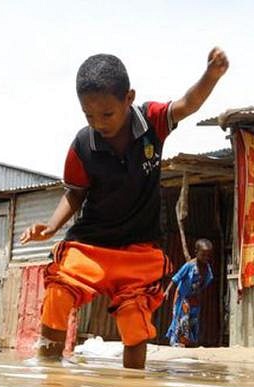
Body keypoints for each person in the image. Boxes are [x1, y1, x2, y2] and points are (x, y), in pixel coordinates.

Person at [21, 48, 229, 369]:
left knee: (135, 322)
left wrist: (211, 76)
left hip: (139, 249)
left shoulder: (152, 122)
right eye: (89, 116)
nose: (98, 123)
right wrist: (50, 227)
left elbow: (188, 104)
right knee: (58, 294)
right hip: (90, 246)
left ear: (129, 98)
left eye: (107, 114)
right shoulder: (82, 145)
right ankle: (49, 375)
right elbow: (75, 193)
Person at [165, 239, 214, 347]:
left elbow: (205, 282)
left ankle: (191, 342)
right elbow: (176, 278)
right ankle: (177, 342)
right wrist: (167, 291)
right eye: (203, 255)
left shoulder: (207, 268)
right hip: (183, 296)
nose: (206, 258)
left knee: (194, 320)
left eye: (207, 256)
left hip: (194, 297)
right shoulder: (189, 265)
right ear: (196, 252)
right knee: (183, 318)